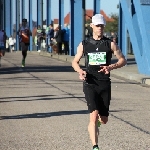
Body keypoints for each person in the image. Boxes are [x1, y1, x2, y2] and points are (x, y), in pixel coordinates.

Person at [72, 14, 127, 150]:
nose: (100, 28)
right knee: (93, 115)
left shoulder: (110, 44)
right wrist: (80, 71)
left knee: (104, 119)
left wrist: (110, 67)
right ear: (92, 27)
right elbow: (74, 61)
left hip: (104, 83)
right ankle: (95, 146)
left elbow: (123, 60)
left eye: (102, 25)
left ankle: (98, 123)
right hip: (90, 82)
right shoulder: (85, 44)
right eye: (97, 26)